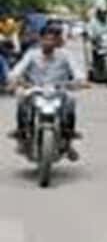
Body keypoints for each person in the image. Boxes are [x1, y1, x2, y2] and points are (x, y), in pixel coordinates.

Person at [6, 25, 87, 158]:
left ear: (57, 42)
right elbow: (17, 70)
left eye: (52, 40)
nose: (48, 43)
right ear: (40, 39)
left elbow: (77, 72)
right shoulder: (32, 54)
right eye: (45, 39)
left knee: (71, 100)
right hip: (35, 89)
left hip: (58, 90)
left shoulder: (65, 55)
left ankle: (68, 140)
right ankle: (21, 134)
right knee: (20, 97)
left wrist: (80, 81)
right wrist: (13, 80)